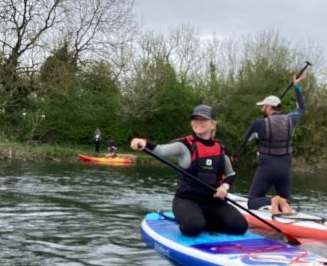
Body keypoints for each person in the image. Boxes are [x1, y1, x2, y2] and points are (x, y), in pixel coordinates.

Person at [130, 105, 248, 237]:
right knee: (194, 226)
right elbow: (161, 150)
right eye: (195, 119)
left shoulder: (221, 148)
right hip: (186, 200)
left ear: (213, 124)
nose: (198, 122)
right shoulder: (184, 145)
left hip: (212, 202)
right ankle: (194, 222)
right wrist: (143, 142)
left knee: (240, 226)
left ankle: (203, 222)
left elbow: (231, 174)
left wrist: (224, 187)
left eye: (203, 119)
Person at [243, 75, 306, 215]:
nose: (262, 109)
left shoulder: (259, 123)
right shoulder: (291, 119)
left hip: (267, 167)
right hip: (285, 167)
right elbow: (302, 109)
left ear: (269, 107)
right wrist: (297, 87)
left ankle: (273, 200)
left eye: (263, 106)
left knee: (252, 201)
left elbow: (245, 140)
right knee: (286, 199)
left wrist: (256, 134)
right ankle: (283, 201)